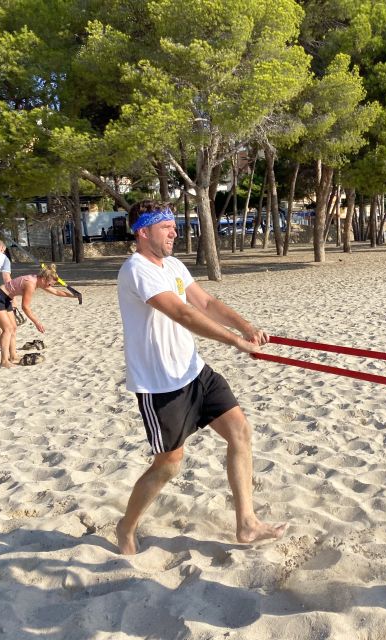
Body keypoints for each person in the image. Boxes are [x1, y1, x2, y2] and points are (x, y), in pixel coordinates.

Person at [115, 199, 287, 555]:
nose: (175, 232)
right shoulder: (136, 269)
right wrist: (236, 342)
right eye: (166, 227)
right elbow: (182, 313)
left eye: (174, 226)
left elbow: (205, 304)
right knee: (169, 466)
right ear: (142, 232)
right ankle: (125, 526)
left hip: (194, 371)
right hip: (160, 384)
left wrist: (246, 326)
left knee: (240, 432)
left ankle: (247, 524)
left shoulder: (173, 265)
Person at [0, 264, 78, 367]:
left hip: (6, 299)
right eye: (49, 284)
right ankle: (4, 361)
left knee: (13, 328)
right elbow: (25, 307)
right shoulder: (30, 284)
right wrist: (37, 322)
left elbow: (56, 291)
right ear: (43, 279)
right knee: (7, 329)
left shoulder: (38, 281)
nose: (49, 287)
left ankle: (13, 356)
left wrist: (75, 296)